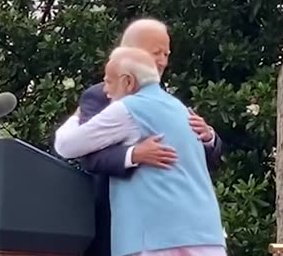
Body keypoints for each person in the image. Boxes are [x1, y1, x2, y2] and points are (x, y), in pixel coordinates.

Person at [61, 18, 223, 256]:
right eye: (156, 52)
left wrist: (208, 137)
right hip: (124, 225)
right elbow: (85, 153)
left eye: (167, 54)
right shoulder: (101, 95)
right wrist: (133, 154)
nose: (162, 61)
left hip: (171, 231)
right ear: (129, 52)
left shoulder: (169, 102)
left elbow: (192, 161)